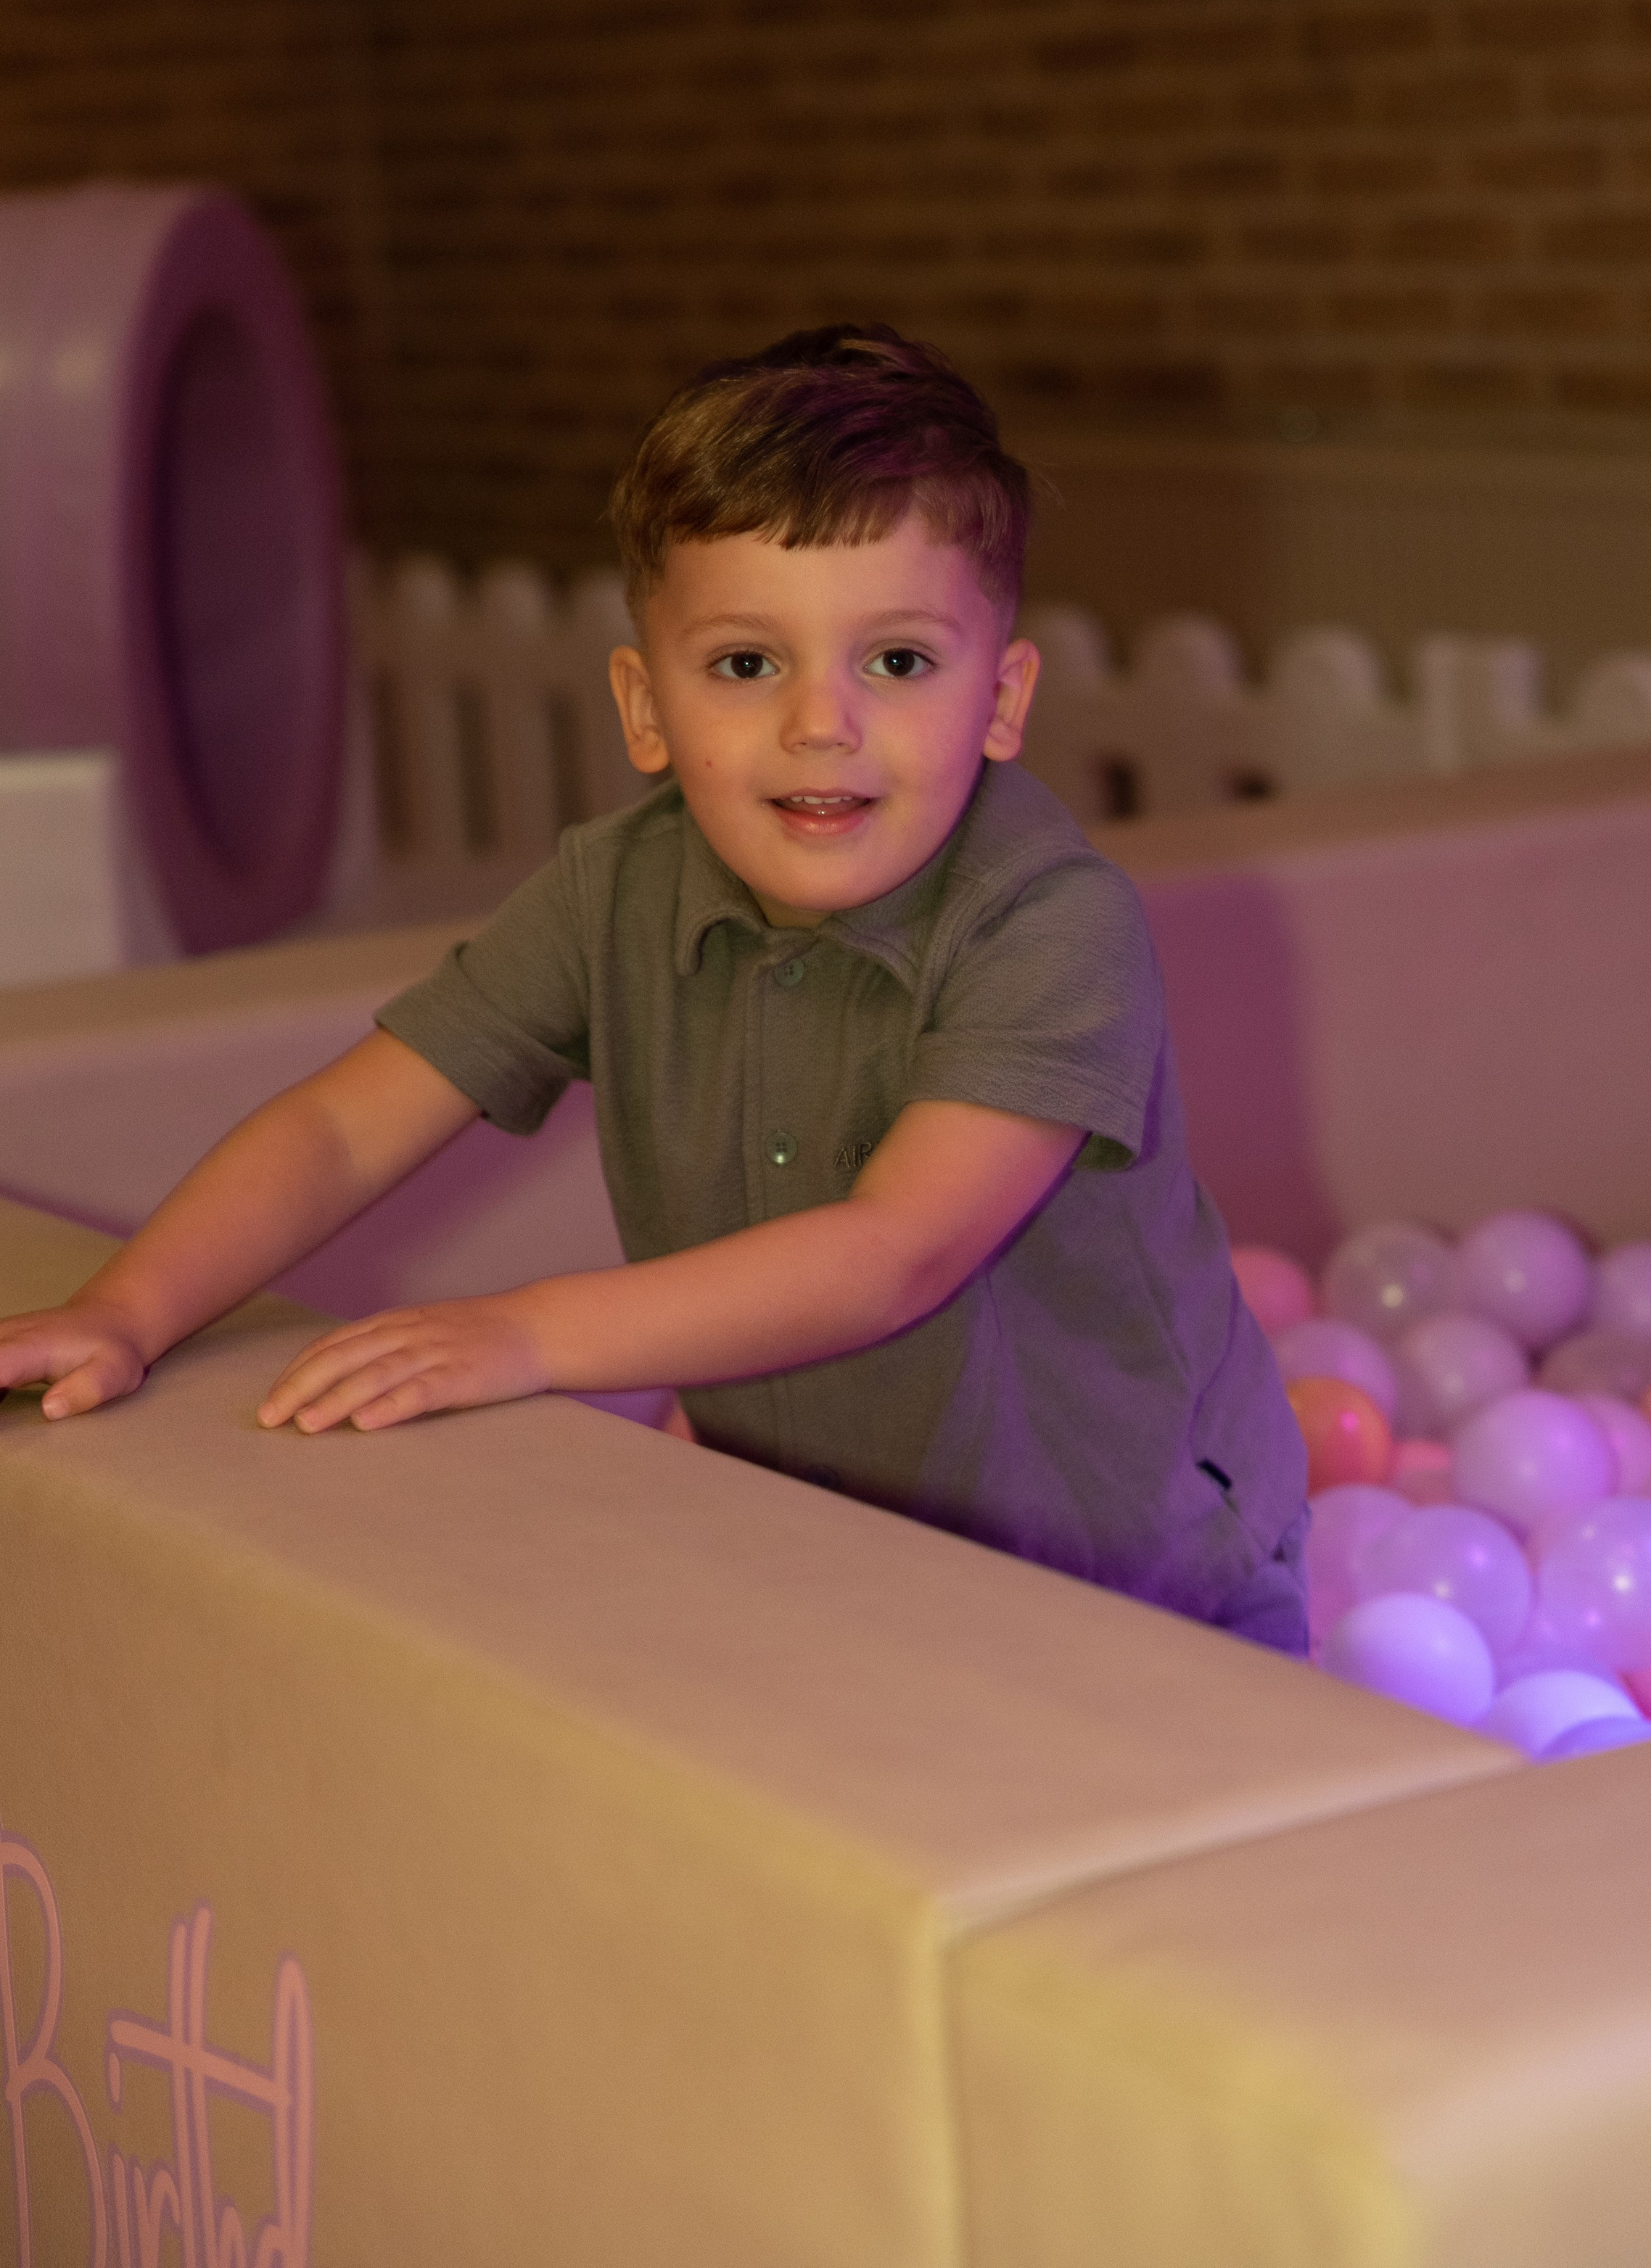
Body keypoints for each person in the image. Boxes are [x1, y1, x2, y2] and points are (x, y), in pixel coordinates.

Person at [0, 326, 1308, 1649]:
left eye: (898, 662)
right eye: (748, 664)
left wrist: (526, 1334)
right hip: (843, 1555)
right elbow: (346, 1125)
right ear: (645, 707)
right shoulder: (613, 891)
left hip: (1135, 1569)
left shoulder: (1049, 924)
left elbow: (891, 1255)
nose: (821, 723)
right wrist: (129, 1308)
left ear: (1003, 699)